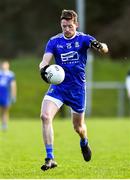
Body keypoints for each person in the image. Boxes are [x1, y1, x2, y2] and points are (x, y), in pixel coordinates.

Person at [39, 9, 108, 171]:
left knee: (78, 127)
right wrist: (43, 70)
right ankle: (50, 157)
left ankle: (84, 141)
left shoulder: (84, 39)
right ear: (61, 25)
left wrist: (100, 46)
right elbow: (44, 61)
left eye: (70, 26)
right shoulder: (54, 41)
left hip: (77, 89)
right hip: (58, 87)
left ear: (76, 24)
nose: (67, 29)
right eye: (64, 26)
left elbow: (104, 48)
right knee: (45, 116)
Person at [0, 61, 17, 131]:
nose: (4, 66)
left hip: (6, 95)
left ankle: (4, 125)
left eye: (6, 65)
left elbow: (13, 86)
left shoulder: (10, 74)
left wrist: (13, 96)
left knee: (5, 111)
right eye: (3, 65)